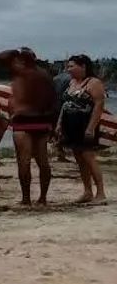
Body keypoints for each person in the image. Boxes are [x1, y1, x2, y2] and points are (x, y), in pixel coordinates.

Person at [0, 47, 58, 206]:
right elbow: (54, 100)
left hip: (23, 120)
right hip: (43, 120)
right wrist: (54, 123)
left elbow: (0, 56)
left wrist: (15, 51)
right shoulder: (45, 75)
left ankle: (26, 199)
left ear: (22, 60)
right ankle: (43, 198)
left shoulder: (21, 73)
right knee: (43, 162)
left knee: (24, 161)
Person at [56, 54, 107, 205]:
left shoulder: (93, 83)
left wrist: (91, 128)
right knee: (79, 159)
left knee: (89, 157)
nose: (68, 69)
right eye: (68, 66)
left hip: (86, 125)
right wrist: (59, 124)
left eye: (71, 66)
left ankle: (101, 193)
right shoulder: (72, 82)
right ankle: (87, 191)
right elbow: (65, 106)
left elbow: (99, 106)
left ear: (83, 66)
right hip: (70, 125)